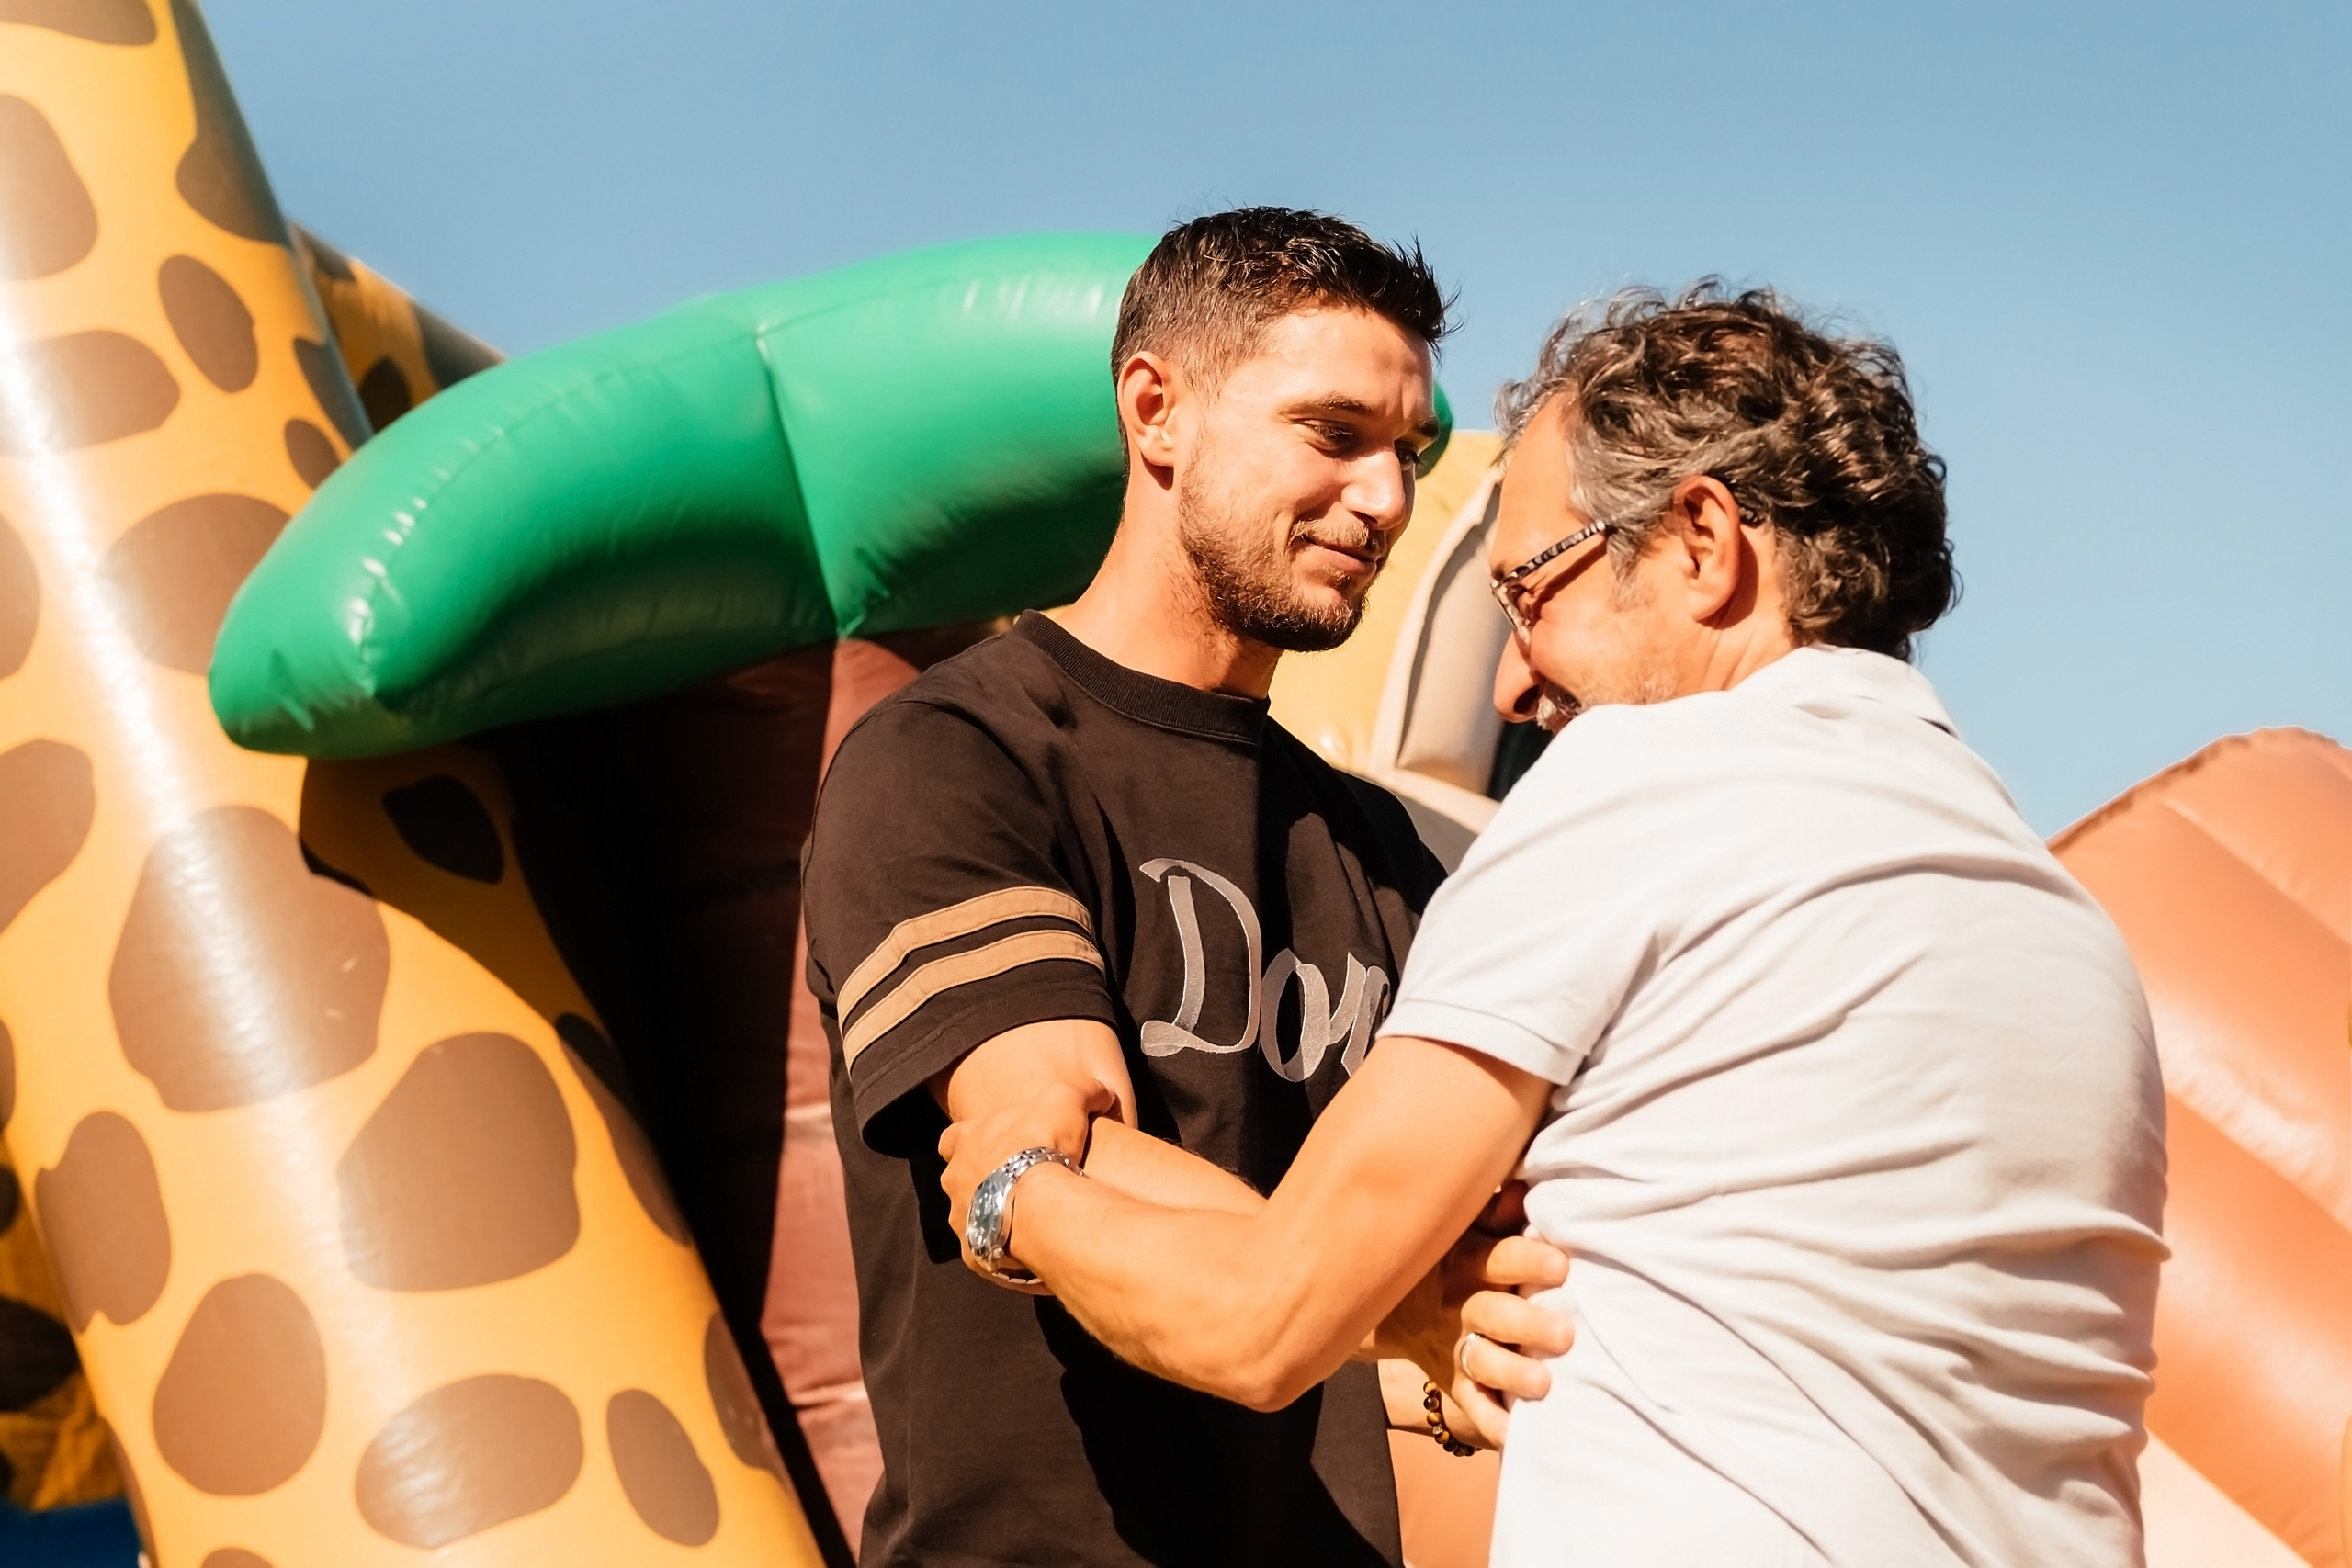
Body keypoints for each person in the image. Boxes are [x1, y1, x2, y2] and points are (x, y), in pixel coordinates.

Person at [940, 283, 2169, 1567]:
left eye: (1528, 588)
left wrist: (1018, 1192)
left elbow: (1264, 1322)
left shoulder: (1641, 783)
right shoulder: (2061, 924)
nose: (1513, 681)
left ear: (1702, 541)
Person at [799, 207, 1568, 1568]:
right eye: (1333, 436)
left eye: (1406, 454)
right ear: (1156, 413)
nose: (1388, 499)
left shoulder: (1386, 854)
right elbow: (1048, 1162)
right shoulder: (957, 758)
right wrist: (1398, 1300)